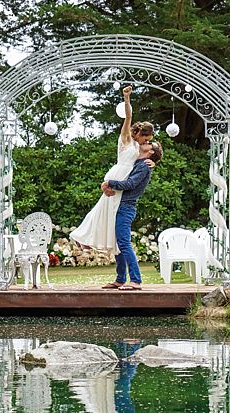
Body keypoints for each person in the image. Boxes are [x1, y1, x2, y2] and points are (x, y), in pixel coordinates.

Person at [70, 87, 153, 255]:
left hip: (125, 177)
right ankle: (83, 237)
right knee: (103, 209)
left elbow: (145, 159)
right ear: (138, 133)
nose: (147, 141)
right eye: (146, 137)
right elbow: (128, 116)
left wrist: (153, 162)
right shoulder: (126, 139)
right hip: (119, 173)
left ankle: (85, 238)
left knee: (104, 210)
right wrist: (127, 98)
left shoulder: (140, 147)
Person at [100, 139, 163, 291]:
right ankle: (120, 279)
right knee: (119, 243)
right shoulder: (137, 162)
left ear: (151, 151)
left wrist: (109, 182)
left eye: (149, 143)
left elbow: (130, 184)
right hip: (119, 205)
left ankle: (136, 280)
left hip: (126, 207)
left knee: (124, 243)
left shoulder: (144, 167)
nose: (145, 141)